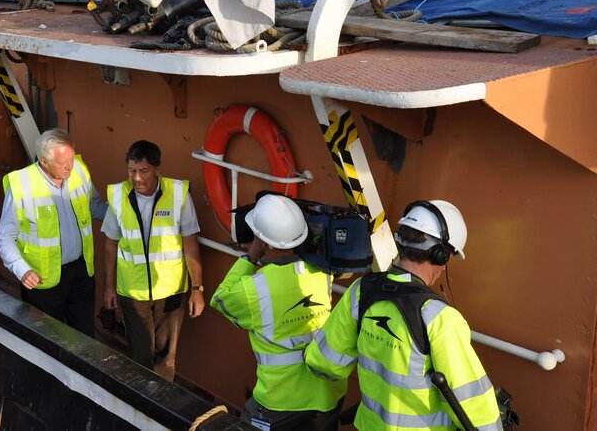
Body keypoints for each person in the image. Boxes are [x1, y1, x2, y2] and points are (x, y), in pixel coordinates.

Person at [303, 200, 502, 430]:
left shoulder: (361, 291)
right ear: (441, 255)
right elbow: (474, 406)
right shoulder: (439, 318)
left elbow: (323, 363)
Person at [210, 194, 346, 431]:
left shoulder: (252, 289)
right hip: (327, 396)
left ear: (262, 240)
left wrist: (251, 255)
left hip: (280, 401)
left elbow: (220, 299)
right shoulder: (322, 271)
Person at [101, 140, 204, 382]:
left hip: (171, 294)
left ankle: (160, 401)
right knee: (140, 356)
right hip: (133, 292)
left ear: (158, 169)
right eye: (131, 170)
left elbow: (191, 246)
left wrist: (197, 289)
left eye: (143, 171)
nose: (136, 178)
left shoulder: (178, 195)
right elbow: (109, 243)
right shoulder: (118, 196)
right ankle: (140, 403)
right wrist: (109, 287)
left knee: (166, 358)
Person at [0, 128, 107, 337]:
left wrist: (127, 217)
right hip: (43, 281)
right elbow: (5, 237)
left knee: (84, 338)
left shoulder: (79, 171)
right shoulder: (22, 186)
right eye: (63, 162)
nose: (70, 166)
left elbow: (95, 205)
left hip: (81, 273)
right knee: (48, 339)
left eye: (72, 159)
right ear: (44, 162)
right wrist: (22, 270)